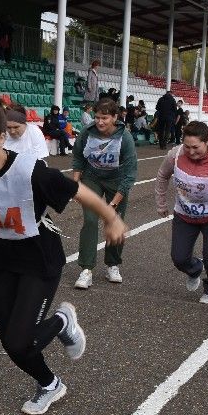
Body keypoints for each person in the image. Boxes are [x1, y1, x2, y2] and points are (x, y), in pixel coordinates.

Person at [0, 98, 125, 415]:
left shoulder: (29, 171)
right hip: (0, 259)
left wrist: (112, 218)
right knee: (12, 344)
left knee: (19, 342)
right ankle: (51, 384)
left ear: (1, 137)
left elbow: (79, 192)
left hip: (39, 257)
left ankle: (62, 321)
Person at [154, 120, 208, 304]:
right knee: (179, 258)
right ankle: (194, 269)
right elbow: (162, 176)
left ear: (207, 141)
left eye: (196, 147)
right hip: (184, 216)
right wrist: (161, 203)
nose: (191, 152)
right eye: (187, 146)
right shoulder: (175, 154)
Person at [70, 98, 137, 289]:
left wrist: (113, 204)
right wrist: (75, 184)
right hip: (92, 177)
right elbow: (77, 157)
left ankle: (113, 264)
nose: (100, 122)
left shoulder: (125, 138)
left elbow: (129, 175)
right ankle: (86, 269)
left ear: (115, 118)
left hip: (116, 181)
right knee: (90, 220)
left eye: (105, 118)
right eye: (97, 117)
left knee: (114, 220)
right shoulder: (87, 133)